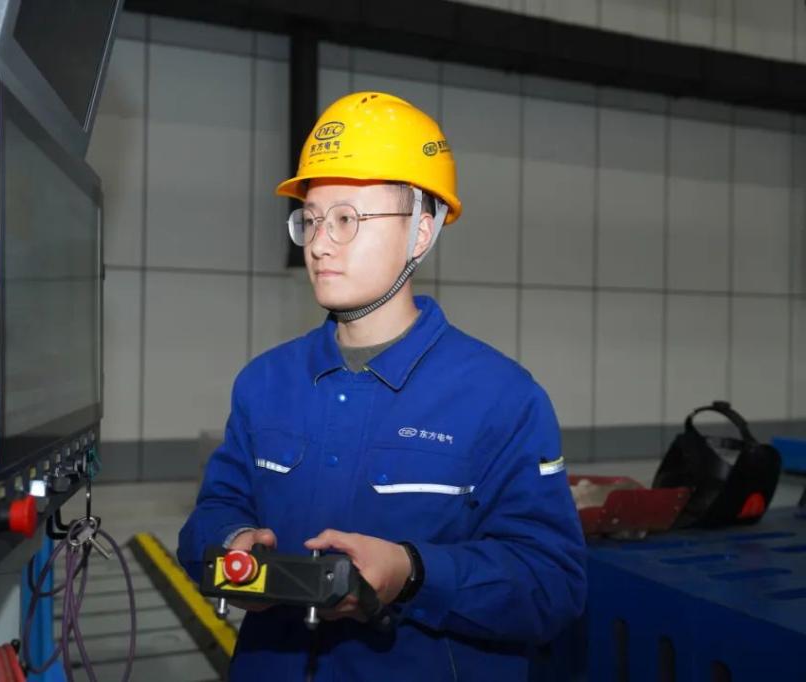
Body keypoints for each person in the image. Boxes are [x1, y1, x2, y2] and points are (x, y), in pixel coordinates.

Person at [177, 91, 586, 681]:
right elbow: (214, 511)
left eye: (346, 219)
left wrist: (413, 573)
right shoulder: (264, 383)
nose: (319, 243)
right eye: (310, 219)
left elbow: (552, 585)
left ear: (421, 231)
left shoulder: (502, 398)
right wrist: (233, 540)